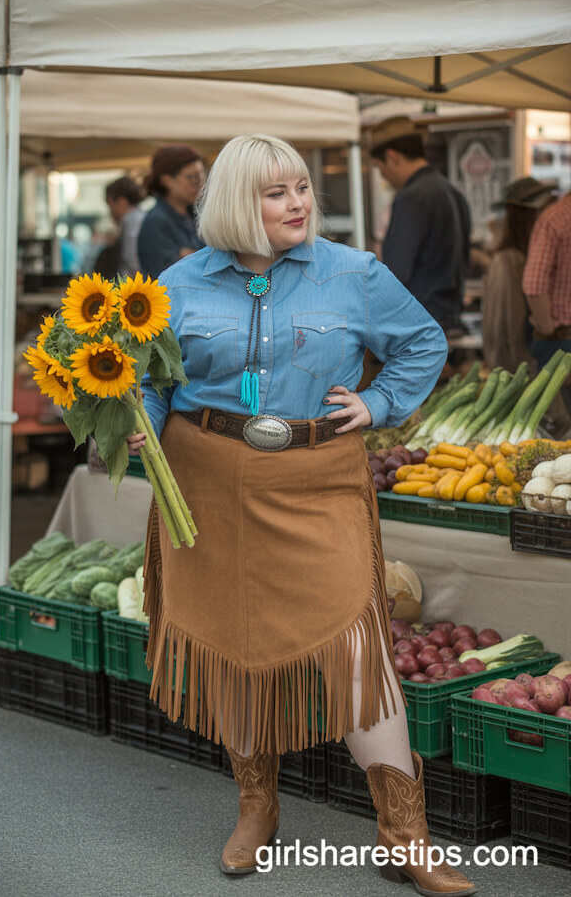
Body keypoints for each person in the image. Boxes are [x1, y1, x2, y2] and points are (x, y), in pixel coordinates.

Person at [128, 135, 474, 896]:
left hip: (320, 481)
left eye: (302, 188)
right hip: (207, 484)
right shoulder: (176, 284)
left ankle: (405, 834)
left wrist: (380, 402)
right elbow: (149, 381)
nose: (298, 203)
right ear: (234, 202)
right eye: (275, 192)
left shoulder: (354, 273)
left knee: (358, 653)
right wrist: (138, 425)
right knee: (232, 644)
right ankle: (257, 806)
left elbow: (422, 342)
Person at [369, 116, 470, 334]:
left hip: (418, 323)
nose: (383, 176)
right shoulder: (453, 193)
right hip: (449, 318)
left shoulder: (412, 197)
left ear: (392, 157)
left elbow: (396, 273)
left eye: (379, 167)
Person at [482, 177, 555, 372]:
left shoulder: (521, 257)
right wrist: (525, 369)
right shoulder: (508, 261)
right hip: (517, 369)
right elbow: (508, 326)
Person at [523, 189, 571, 412]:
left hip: (561, 341)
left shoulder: (554, 219)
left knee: (560, 420)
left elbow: (534, 286)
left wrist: (547, 327)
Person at [137, 145, 206, 278]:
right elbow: (171, 273)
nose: (200, 184)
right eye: (193, 178)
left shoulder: (196, 213)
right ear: (167, 180)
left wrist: (189, 255)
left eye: (202, 176)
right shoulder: (157, 220)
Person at [97, 176, 145, 277]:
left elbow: (133, 265)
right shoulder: (139, 218)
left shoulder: (133, 224)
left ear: (122, 201)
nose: (110, 211)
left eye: (110, 204)